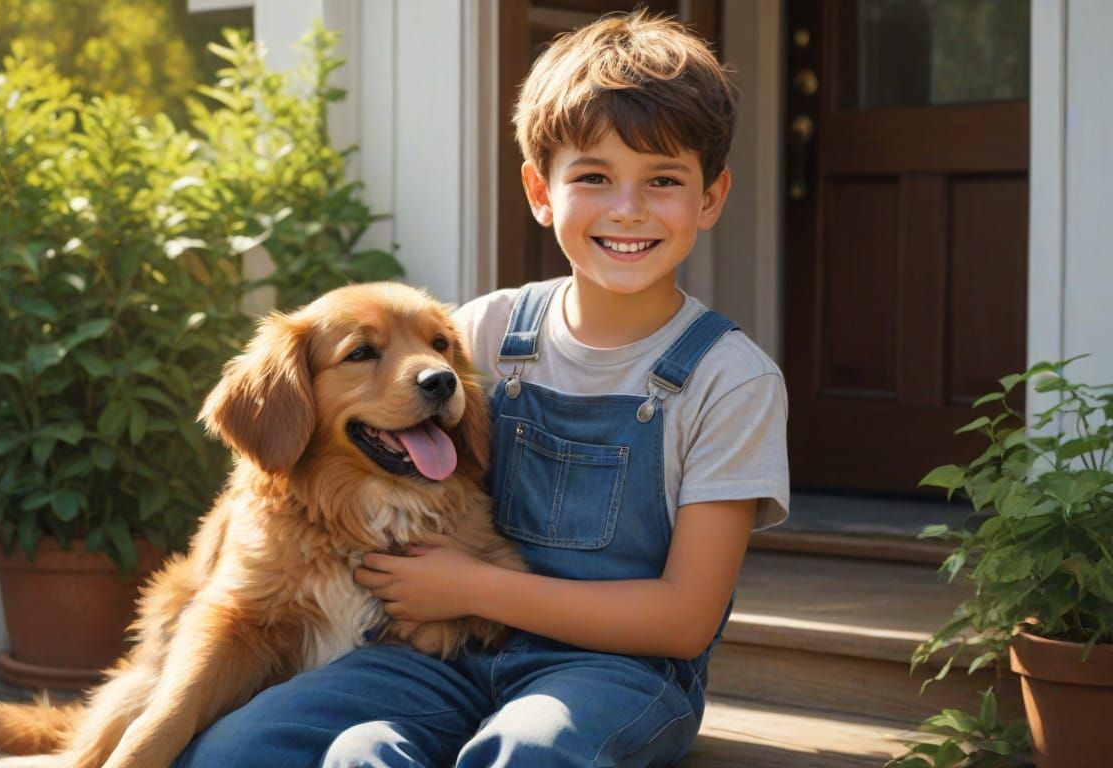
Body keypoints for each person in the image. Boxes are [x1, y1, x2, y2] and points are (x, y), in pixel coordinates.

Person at [174, 9, 788, 767]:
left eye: (663, 181)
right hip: (440, 652)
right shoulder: (487, 331)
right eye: (593, 177)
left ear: (711, 198)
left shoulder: (730, 380)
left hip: (616, 672)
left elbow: (683, 621)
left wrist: (472, 587)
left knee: (528, 754)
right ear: (539, 189)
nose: (627, 208)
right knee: (245, 751)